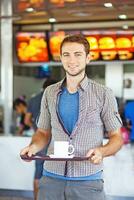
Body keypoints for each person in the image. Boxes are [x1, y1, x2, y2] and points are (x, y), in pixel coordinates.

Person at [20, 34, 123, 200]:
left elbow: (116, 137)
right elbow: (43, 133)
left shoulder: (104, 94)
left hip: (88, 182)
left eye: (78, 54)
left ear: (88, 58)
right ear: (60, 58)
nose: (71, 60)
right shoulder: (50, 93)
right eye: (66, 54)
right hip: (51, 179)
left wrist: (102, 151)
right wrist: (33, 147)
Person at [24, 79, 57, 200]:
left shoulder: (33, 99)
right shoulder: (56, 98)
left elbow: (26, 120)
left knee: (38, 173)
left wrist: (37, 130)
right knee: (56, 173)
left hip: (39, 141)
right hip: (55, 141)